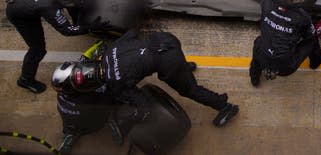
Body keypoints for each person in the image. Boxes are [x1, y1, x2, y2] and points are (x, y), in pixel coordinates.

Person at [51, 29, 239, 146]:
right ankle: (183, 67)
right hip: (166, 39)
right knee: (162, 61)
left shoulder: (115, 84)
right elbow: (132, 33)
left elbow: (143, 105)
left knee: (190, 90)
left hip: (168, 60)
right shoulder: (109, 52)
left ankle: (225, 107)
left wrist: (127, 121)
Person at [5, 0, 97, 93]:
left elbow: (72, 4)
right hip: (19, 14)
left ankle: (77, 22)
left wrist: (79, 24)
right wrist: (89, 28)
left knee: (73, 5)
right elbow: (66, 30)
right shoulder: (49, 7)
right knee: (38, 49)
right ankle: (25, 79)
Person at [249, 0, 321, 87]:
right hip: (286, 66)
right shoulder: (302, 17)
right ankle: (315, 61)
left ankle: (254, 78)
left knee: (258, 43)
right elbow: (312, 35)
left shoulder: (266, 0)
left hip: (263, 57)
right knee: (312, 42)